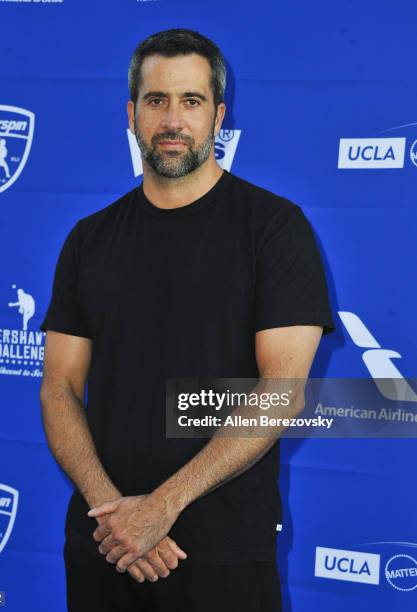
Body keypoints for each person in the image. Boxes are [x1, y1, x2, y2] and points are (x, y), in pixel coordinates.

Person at [39, 28, 335, 612]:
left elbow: (283, 393)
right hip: (105, 543)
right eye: (156, 101)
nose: (172, 119)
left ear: (219, 115)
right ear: (131, 114)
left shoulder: (274, 229)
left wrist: (160, 507)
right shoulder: (88, 239)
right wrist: (116, 514)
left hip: (222, 550)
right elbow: (59, 386)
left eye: (191, 101)